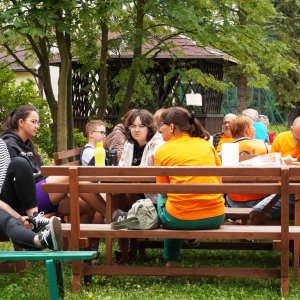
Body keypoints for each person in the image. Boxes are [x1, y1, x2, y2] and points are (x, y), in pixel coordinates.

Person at [1, 106, 106, 220]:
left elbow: (40, 171)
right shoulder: (8, 144)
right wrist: (58, 182)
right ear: (21, 122)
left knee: (87, 207)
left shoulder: (30, 145)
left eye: (38, 123)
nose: (37, 126)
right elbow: (13, 182)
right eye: (34, 122)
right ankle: (113, 215)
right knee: (70, 175)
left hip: (39, 192)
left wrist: (58, 183)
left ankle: (73, 238)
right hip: (22, 201)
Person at [154, 107, 225, 267]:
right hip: (215, 217)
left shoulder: (162, 151)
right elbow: (219, 178)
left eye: (161, 125)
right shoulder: (207, 144)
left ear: (171, 127)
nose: (160, 129)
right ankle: (191, 238)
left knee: (165, 197)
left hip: (178, 220)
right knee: (174, 199)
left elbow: (163, 191)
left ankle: (171, 266)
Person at [114, 109, 162, 265]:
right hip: (135, 193)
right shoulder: (129, 144)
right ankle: (119, 223)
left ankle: (121, 239)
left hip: (153, 198)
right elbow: (121, 169)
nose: (136, 130)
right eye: (133, 126)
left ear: (149, 127)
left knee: (120, 195)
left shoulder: (158, 144)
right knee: (114, 194)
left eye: (141, 126)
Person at [0, 138, 63, 251]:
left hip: (4, 199)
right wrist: (12, 213)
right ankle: (42, 240)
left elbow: (3, 181)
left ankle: (35, 220)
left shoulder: (1, 145)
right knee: (8, 221)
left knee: (19, 162)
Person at [250, 117, 300, 225]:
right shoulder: (281, 139)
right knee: (256, 215)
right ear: (291, 130)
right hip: (285, 193)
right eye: (298, 139)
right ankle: (289, 238)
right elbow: (269, 166)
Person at [225, 116, 269, 215]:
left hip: (234, 199)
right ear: (247, 130)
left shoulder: (226, 150)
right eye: (253, 126)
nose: (255, 128)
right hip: (261, 197)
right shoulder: (264, 146)